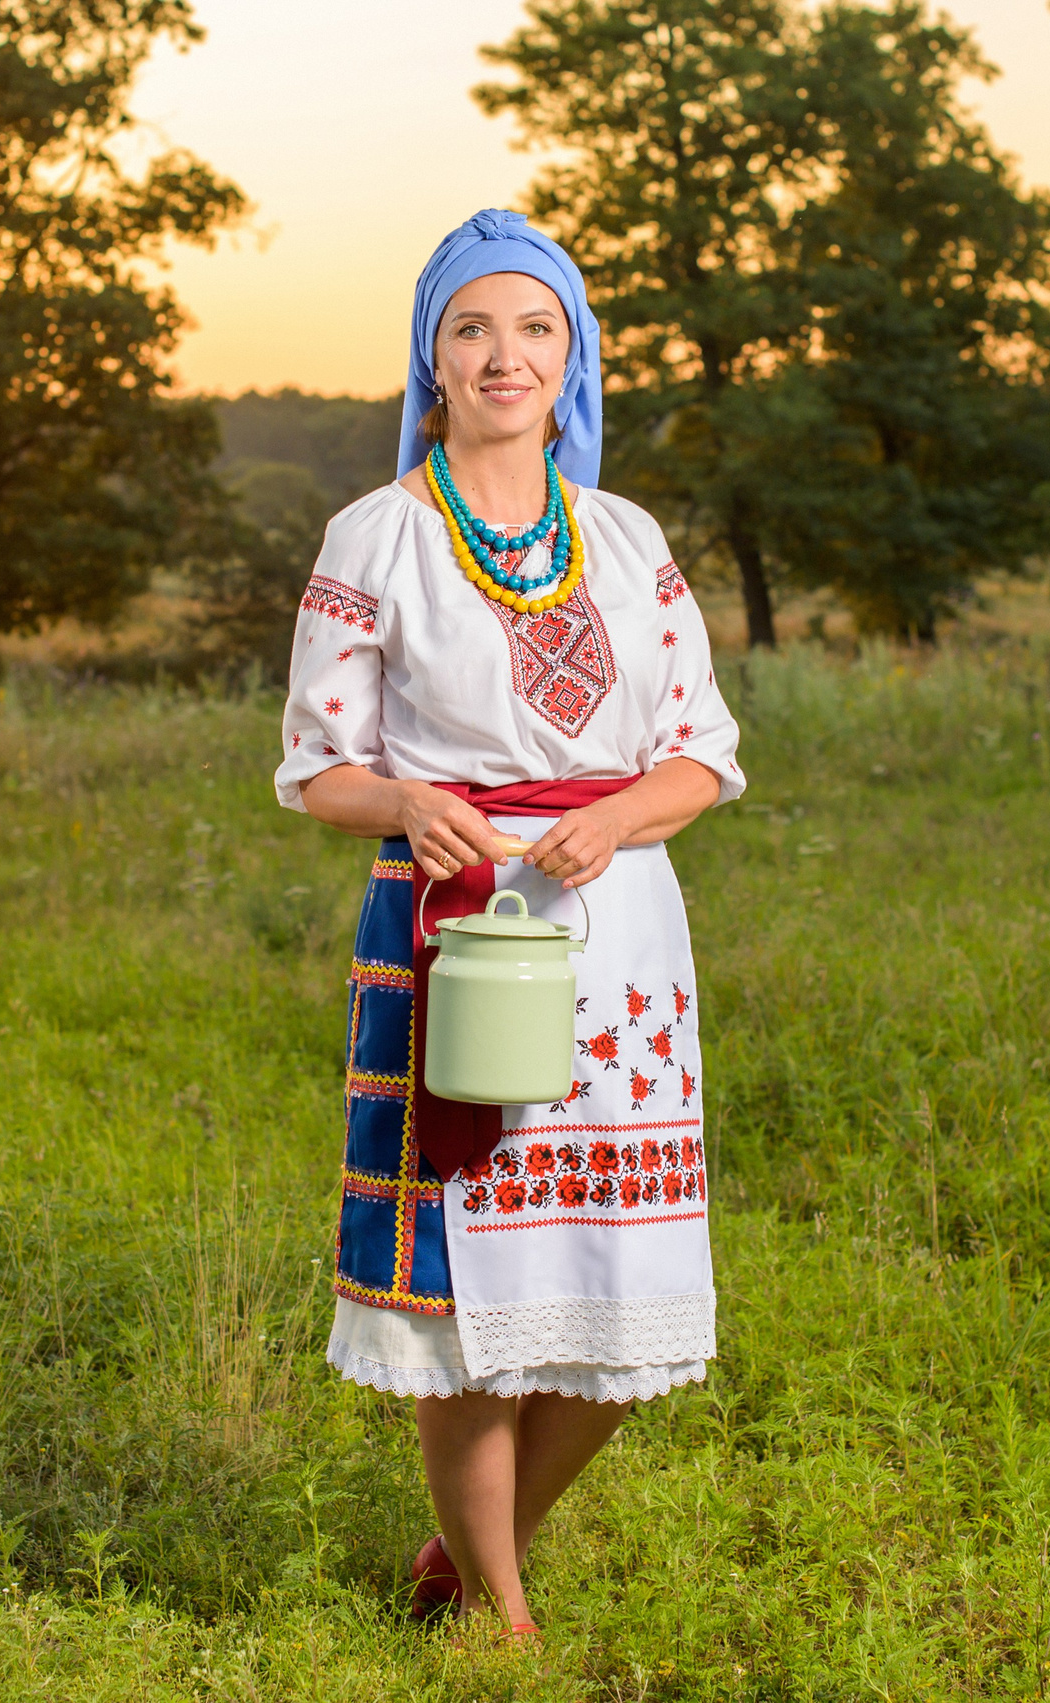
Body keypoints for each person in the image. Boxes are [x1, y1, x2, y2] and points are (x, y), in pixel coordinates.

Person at [273, 208, 744, 1640]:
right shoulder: (379, 535)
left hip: (620, 945)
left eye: (535, 328)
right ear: (432, 355)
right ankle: (504, 1618)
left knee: (616, 1282)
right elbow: (312, 768)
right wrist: (409, 804)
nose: (504, 355)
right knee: (473, 1300)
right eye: (473, 327)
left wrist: (623, 815)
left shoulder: (624, 538)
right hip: (459, 935)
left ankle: (473, 1555)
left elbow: (704, 749)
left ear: (573, 357)